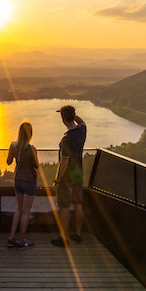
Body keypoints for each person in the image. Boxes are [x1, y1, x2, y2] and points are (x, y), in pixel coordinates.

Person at [51, 105, 86, 247]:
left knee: (64, 206)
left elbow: (63, 163)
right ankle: (78, 234)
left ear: (62, 119)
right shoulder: (82, 130)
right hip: (78, 174)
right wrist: (72, 115)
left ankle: (64, 238)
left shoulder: (65, 140)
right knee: (78, 204)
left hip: (67, 178)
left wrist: (57, 180)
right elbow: (81, 121)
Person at [6, 121, 39, 248]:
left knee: (18, 210)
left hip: (18, 180)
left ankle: (11, 237)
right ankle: (20, 240)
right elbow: (36, 165)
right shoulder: (31, 149)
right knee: (26, 212)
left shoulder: (13, 145)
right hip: (29, 181)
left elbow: (8, 162)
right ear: (30, 133)